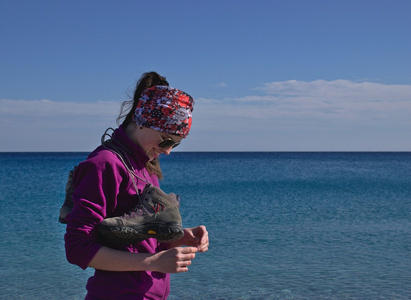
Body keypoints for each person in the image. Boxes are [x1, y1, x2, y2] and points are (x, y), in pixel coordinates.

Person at [64, 71, 209, 300]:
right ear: (143, 122)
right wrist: (153, 262)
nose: (168, 150)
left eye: (176, 144)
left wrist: (179, 237)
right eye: (166, 140)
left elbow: (135, 238)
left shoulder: (144, 164)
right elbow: (77, 247)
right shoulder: (105, 164)